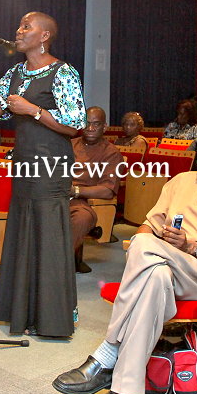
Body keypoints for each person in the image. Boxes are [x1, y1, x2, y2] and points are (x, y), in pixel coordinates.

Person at [53, 122, 197, 394]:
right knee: (154, 274)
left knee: (145, 249)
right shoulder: (179, 182)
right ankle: (126, 392)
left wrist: (194, 246)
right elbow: (147, 227)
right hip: (165, 266)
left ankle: (107, 352)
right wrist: (146, 246)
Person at [0, 11, 86, 337]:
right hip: (23, 164)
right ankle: (22, 313)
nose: (18, 30)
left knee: (48, 236)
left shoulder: (63, 72)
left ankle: (53, 319)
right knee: (24, 232)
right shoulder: (14, 72)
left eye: (27, 26)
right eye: (20, 25)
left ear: (44, 36)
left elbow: (75, 124)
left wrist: (33, 110)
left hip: (52, 166)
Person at [70, 107, 122, 273]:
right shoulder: (69, 144)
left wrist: (75, 191)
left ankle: (56, 262)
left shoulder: (111, 153)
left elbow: (107, 190)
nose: (90, 128)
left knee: (83, 217)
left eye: (96, 124)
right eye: (87, 123)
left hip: (81, 200)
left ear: (104, 127)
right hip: (56, 195)